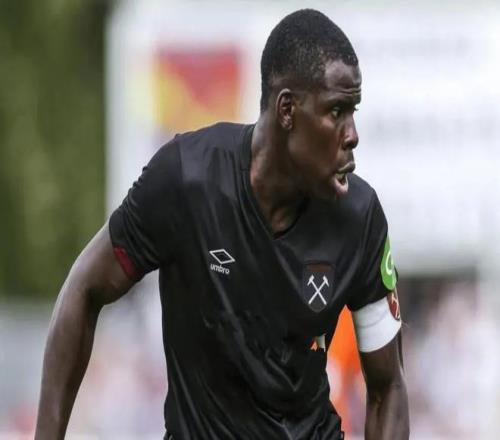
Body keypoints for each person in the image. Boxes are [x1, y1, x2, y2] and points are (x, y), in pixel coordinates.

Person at [35, 8, 409, 440]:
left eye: (353, 110)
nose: (353, 134)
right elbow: (84, 289)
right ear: (287, 109)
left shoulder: (360, 218)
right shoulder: (186, 180)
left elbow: (388, 388)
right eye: (337, 111)